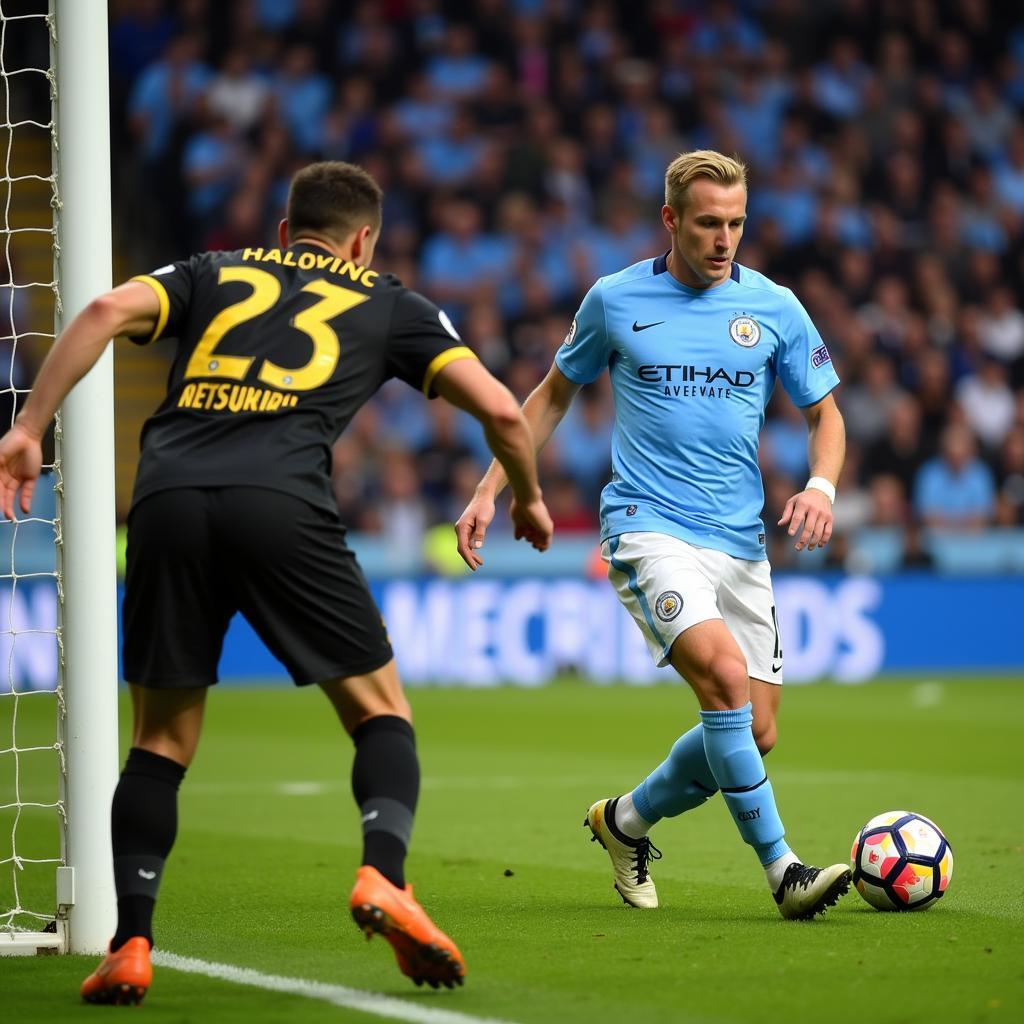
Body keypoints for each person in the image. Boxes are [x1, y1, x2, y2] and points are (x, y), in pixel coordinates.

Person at [0, 161, 553, 1002]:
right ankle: (384, 877)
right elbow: (507, 412)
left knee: (160, 742)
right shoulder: (389, 300)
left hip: (164, 500)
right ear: (363, 239)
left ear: (286, 227)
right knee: (380, 713)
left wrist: (29, 425)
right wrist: (530, 498)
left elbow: (106, 309)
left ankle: (132, 943)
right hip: (280, 501)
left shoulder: (215, 269)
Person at [455, 150, 850, 920]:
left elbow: (825, 413)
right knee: (727, 685)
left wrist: (821, 485)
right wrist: (487, 488)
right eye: (708, 223)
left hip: (739, 542)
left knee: (755, 733)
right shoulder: (615, 299)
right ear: (671, 219)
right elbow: (549, 398)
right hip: (647, 528)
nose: (724, 238)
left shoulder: (774, 307)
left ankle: (624, 821)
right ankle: (785, 873)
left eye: (736, 223)